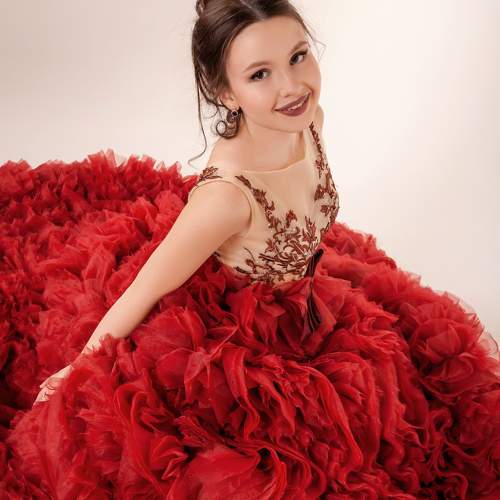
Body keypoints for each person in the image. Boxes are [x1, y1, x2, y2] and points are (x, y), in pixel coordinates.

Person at [1, 1, 499, 498]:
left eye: (298, 56)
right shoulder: (225, 197)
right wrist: (78, 367)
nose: (292, 86)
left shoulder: (310, 120)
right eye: (260, 74)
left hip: (307, 297)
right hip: (239, 340)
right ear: (226, 93)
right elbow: (147, 286)